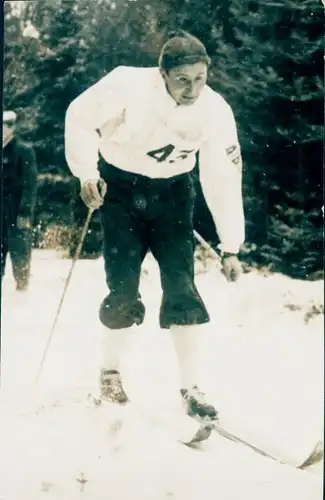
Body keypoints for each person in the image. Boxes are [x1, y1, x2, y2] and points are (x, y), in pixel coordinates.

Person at [65, 30, 245, 444]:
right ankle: (110, 373)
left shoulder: (215, 110)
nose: (192, 89)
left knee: (182, 287)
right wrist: (86, 172)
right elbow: (79, 117)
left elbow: (223, 175)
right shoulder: (127, 83)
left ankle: (191, 389)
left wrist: (231, 244)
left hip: (173, 195)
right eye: (183, 80)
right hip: (121, 192)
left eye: (200, 79)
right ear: (162, 73)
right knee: (124, 287)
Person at [1, 111, 38, 291]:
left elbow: (30, 186)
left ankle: (22, 290)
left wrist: (25, 212)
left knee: (20, 253)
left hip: (16, 210)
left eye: (5, 126)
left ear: (11, 128)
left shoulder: (23, 151)